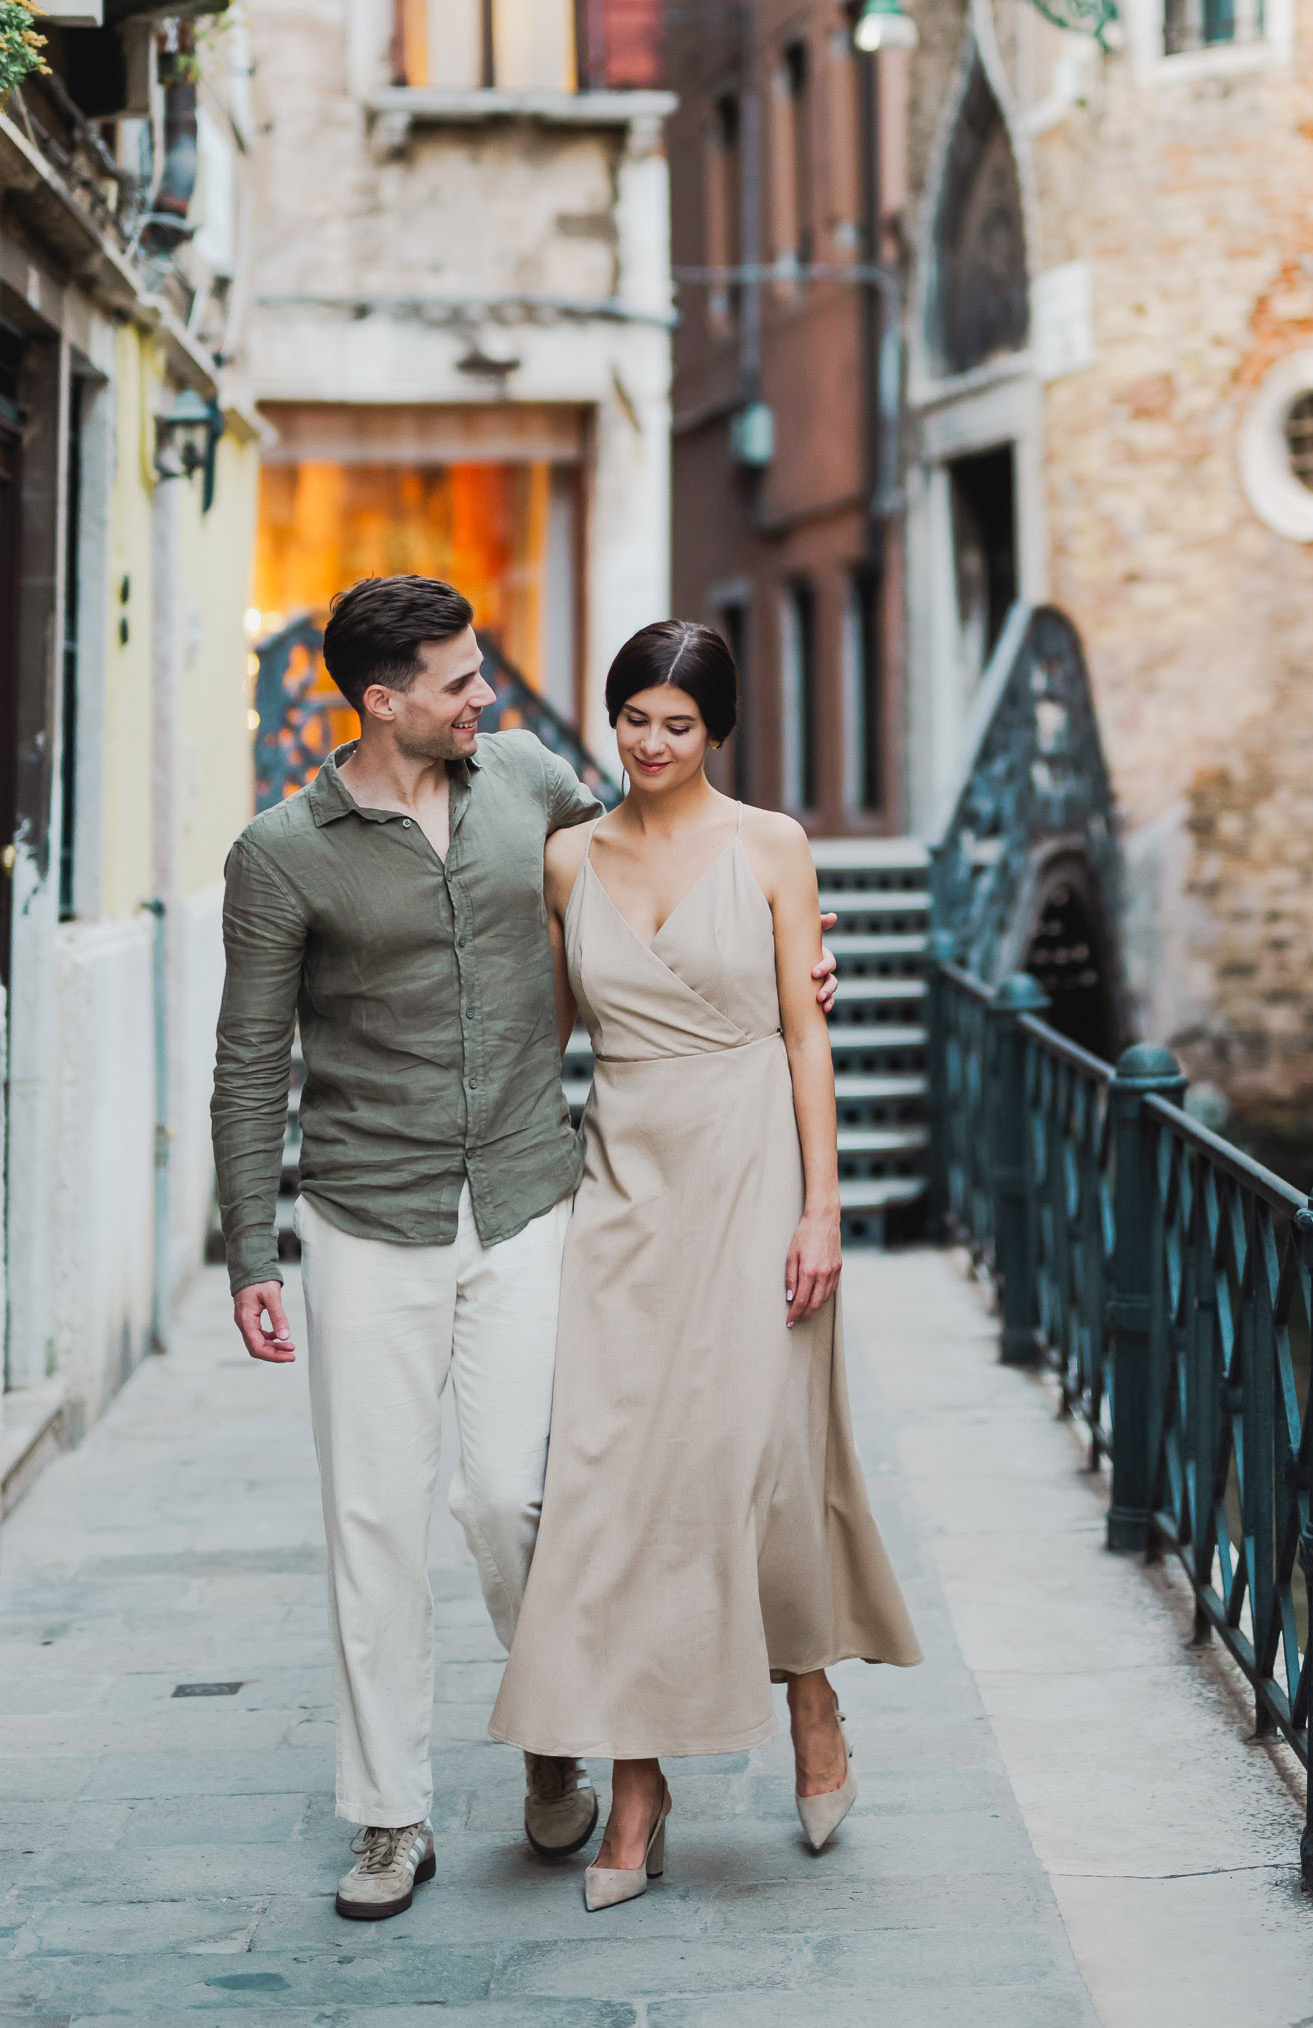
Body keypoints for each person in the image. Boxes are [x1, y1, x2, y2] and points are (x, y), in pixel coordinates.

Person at [210, 577, 841, 1922]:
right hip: (365, 1214)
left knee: (513, 1500)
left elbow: (652, 869)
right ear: (384, 703)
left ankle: (562, 1723)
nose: (483, 695)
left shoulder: (531, 782)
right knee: (372, 1519)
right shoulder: (281, 854)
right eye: (456, 681)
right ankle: (390, 1817)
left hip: (527, 1196)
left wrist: (793, 949)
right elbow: (249, 1054)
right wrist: (247, 1254)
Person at [489, 620, 922, 1912]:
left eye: (679, 723)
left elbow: (804, 1039)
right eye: (633, 718)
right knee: (613, 1485)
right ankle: (636, 1788)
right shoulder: (567, 859)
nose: (653, 743)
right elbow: (539, 1032)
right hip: (622, 1187)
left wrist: (824, 1210)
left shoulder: (774, 847)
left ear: (717, 731)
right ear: (609, 720)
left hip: (754, 1174)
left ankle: (811, 1699)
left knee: (758, 1461)